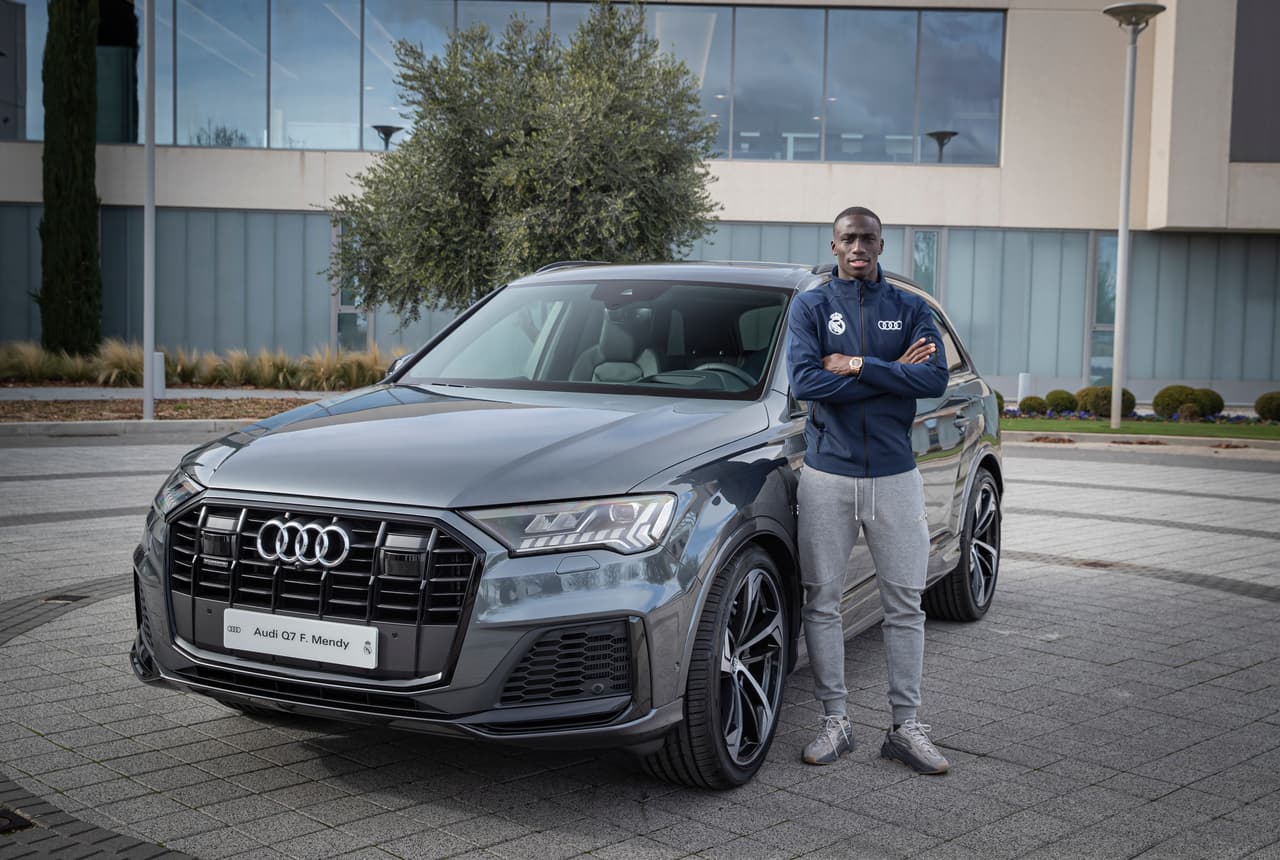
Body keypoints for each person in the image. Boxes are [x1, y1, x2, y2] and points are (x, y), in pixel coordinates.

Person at [786, 205, 951, 774]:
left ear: (881, 245)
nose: (858, 247)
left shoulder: (910, 307)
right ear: (834, 245)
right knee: (822, 602)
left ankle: (906, 727)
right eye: (848, 238)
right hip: (827, 476)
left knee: (905, 603)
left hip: (895, 477)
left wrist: (856, 364)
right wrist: (891, 371)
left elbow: (933, 379)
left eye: (868, 239)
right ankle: (835, 721)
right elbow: (807, 382)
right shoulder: (810, 306)